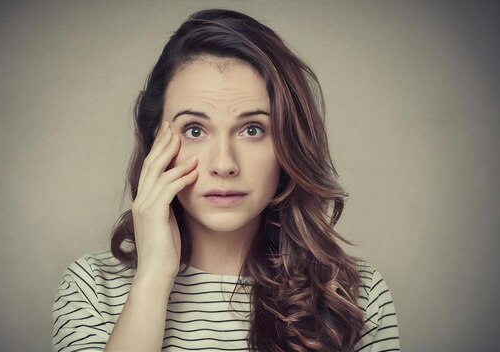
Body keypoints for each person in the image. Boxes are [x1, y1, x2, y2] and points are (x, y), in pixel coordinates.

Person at [52, 9, 399, 352]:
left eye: (252, 130)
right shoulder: (92, 288)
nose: (224, 164)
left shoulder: (355, 295)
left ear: (288, 144)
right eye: (195, 129)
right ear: (155, 140)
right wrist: (153, 278)